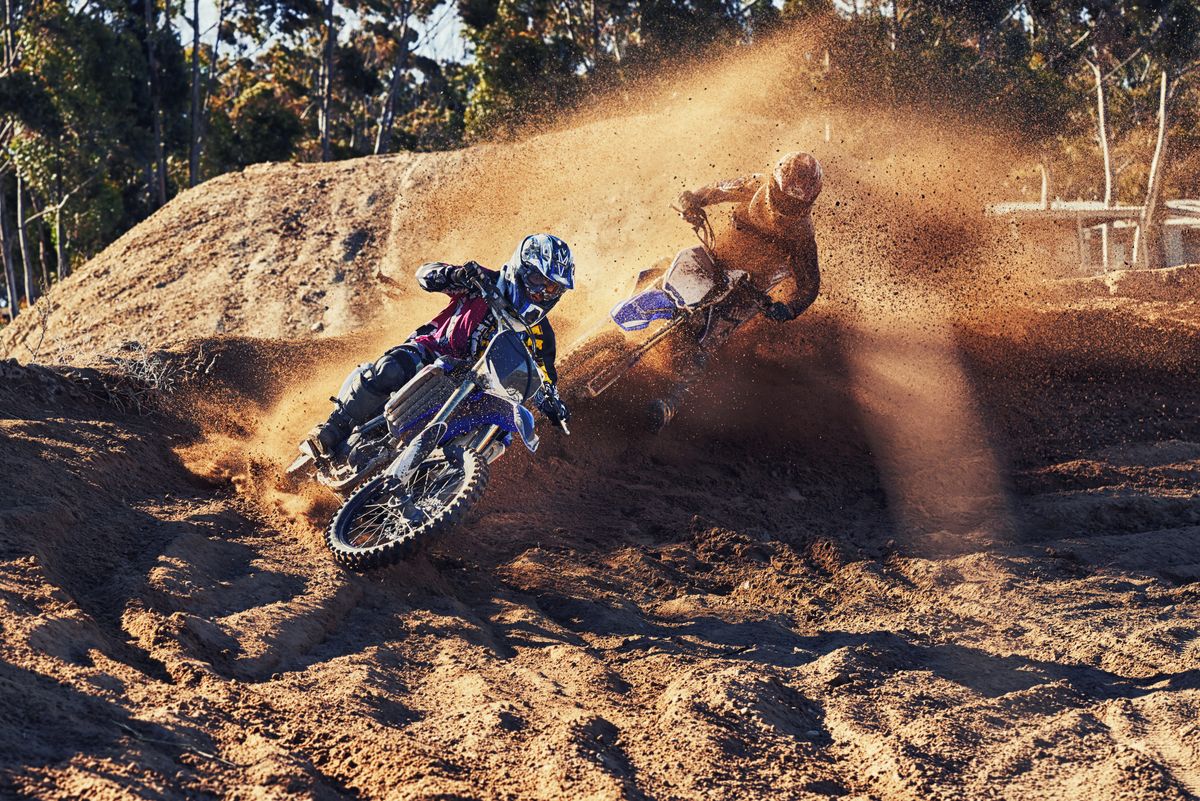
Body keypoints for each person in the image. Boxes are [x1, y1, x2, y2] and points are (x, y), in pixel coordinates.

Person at [305, 233, 575, 458]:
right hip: (434, 354)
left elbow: (542, 376)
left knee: (501, 431)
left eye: (553, 289)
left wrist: (551, 399)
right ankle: (332, 429)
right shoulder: (483, 281)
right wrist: (454, 275)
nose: (543, 293)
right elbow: (425, 274)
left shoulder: (542, 334)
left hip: (474, 391)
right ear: (521, 268)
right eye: (540, 281)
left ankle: (438, 485)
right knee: (391, 369)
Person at [652, 151, 823, 430]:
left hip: (752, 288)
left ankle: (672, 399)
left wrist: (789, 308)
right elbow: (716, 189)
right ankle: (614, 318)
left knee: (709, 335)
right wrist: (692, 200)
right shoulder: (754, 185)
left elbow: (810, 284)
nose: (788, 205)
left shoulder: (803, 235)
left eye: (796, 202)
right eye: (784, 197)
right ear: (774, 184)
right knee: (660, 272)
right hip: (718, 257)